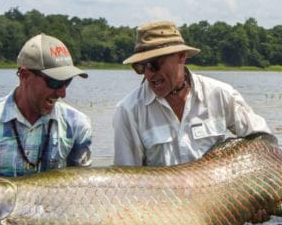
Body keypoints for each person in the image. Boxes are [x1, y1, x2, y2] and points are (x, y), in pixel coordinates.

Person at [113, 20, 271, 166]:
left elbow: (264, 141)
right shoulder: (128, 110)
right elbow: (126, 177)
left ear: (181, 57)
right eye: (141, 67)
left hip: (217, 193)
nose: (149, 74)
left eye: (154, 65)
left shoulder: (220, 94)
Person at [0, 33, 92, 177]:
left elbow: (82, 186)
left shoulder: (78, 124)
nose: (62, 93)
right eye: (55, 82)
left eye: (67, 82)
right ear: (24, 75)